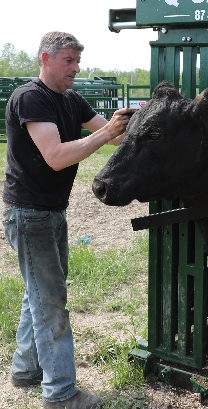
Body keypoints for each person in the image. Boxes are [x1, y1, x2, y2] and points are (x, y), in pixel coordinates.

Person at [2, 32, 135, 409]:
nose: (76, 69)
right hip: (28, 213)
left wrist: (131, 123)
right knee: (51, 302)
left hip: (50, 210)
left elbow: (107, 137)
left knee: (38, 295)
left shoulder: (71, 99)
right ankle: (60, 394)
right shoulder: (30, 98)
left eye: (78, 61)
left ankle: (26, 370)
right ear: (46, 58)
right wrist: (108, 130)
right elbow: (57, 156)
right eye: (69, 61)